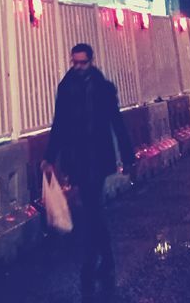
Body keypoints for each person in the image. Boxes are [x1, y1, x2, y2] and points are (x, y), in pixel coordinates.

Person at [42, 43, 136, 292]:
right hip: (78, 158)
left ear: (91, 61)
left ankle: (91, 260)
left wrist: (128, 156)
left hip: (99, 157)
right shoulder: (66, 87)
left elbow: (116, 121)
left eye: (82, 62)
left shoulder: (104, 89)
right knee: (93, 208)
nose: (78, 67)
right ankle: (105, 257)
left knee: (92, 207)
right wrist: (49, 156)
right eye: (74, 62)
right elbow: (59, 123)